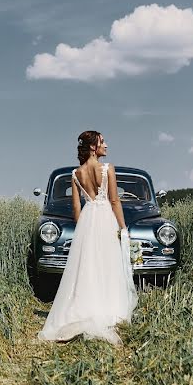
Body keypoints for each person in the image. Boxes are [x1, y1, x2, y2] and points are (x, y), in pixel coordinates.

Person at [37, 130, 138, 345]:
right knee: (107, 264)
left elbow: (76, 206)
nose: (106, 146)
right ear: (94, 147)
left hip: (88, 218)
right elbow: (114, 201)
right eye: (103, 142)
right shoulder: (107, 169)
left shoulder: (75, 174)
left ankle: (84, 308)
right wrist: (123, 228)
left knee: (87, 265)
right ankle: (109, 309)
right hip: (105, 218)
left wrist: (82, 226)